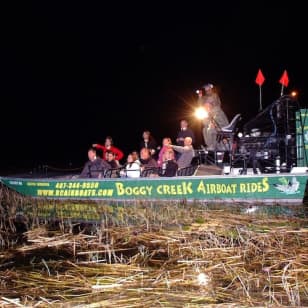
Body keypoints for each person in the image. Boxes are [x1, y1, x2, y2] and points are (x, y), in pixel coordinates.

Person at [201, 83, 229, 151]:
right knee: (205, 129)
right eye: (205, 106)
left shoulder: (217, 109)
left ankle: (221, 144)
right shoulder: (206, 112)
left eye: (208, 105)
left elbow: (222, 121)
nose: (206, 107)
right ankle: (211, 146)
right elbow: (205, 123)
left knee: (210, 129)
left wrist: (214, 124)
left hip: (222, 126)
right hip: (214, 128)